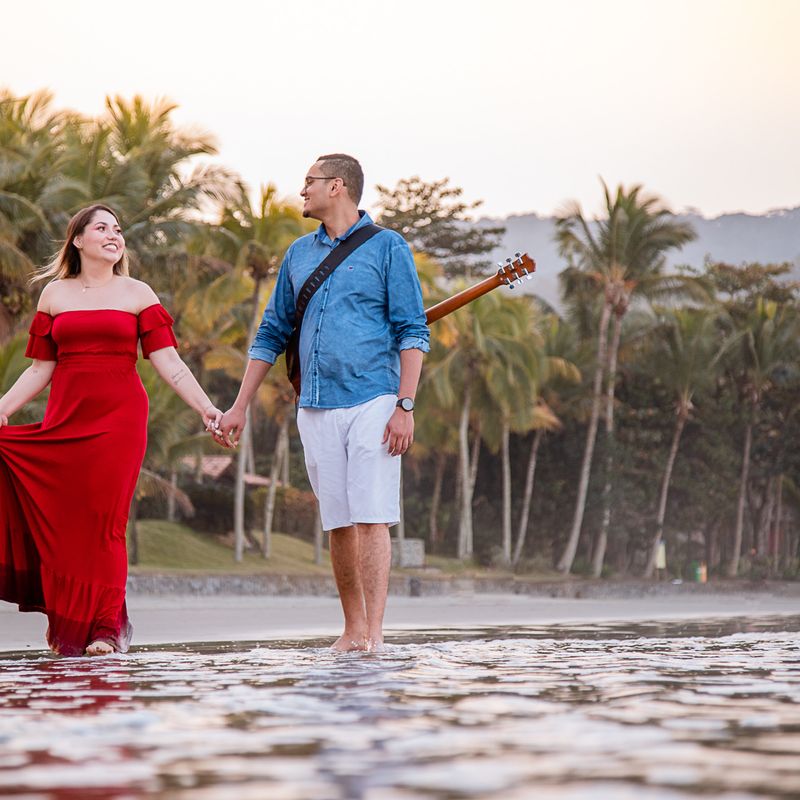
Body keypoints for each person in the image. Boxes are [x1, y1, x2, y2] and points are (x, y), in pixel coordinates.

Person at [220, 154, 429, 652]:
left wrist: (405, 405)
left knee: (370, 515)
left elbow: (412, 329)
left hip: (374, 399)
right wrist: (239, 406)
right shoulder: (297, 254)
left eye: (309, 182)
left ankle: (374, 635)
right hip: (313, 403)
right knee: (337, 520)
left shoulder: (387, 248)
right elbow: (271, 331)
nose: (302, 191)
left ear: (337, 186)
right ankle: (352, 630)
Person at [0, 204, 225, 656]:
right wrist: (2, 407)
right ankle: (67, 618)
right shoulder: (54, 296)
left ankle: (104, 627)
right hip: (65, 421)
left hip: (119, 422)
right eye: (101, 227)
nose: (113, 235)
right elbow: (40, 369)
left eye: (118, 229)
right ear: (78, 240)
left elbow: (170, 364)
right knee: (66, 523)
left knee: (106, 523)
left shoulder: (138, 293)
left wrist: (207, 409)